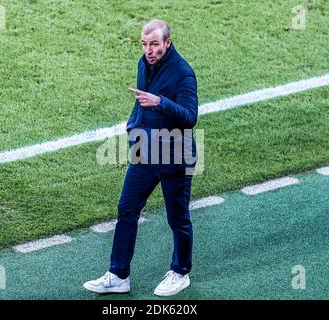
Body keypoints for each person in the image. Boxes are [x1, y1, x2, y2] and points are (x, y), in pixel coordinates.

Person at [83, 19, 198, 297]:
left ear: (167, 43)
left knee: (177, 218)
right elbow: (141, 102)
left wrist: (160, 102)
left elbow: (190, 117)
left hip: (175, 154)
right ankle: (118, 274)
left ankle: (181, 272)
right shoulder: (142, 64)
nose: (149, 50)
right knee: (126, 208)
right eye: (145, 44)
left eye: (155, 44)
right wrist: (133, 125)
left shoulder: (183, 74)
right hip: (145, 151)